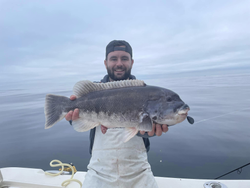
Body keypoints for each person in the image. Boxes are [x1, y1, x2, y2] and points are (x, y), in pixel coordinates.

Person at [65, 40, 169, 188]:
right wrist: (71, 116)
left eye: (124, 58)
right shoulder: (94, 91)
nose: (119, 63)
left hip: (139, 173)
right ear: (105, 62)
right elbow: (79, 118)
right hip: (99, 173)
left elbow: (145, 132)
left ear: (131, 62)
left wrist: (148, 131)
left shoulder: (146, 93)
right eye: (113, 59)